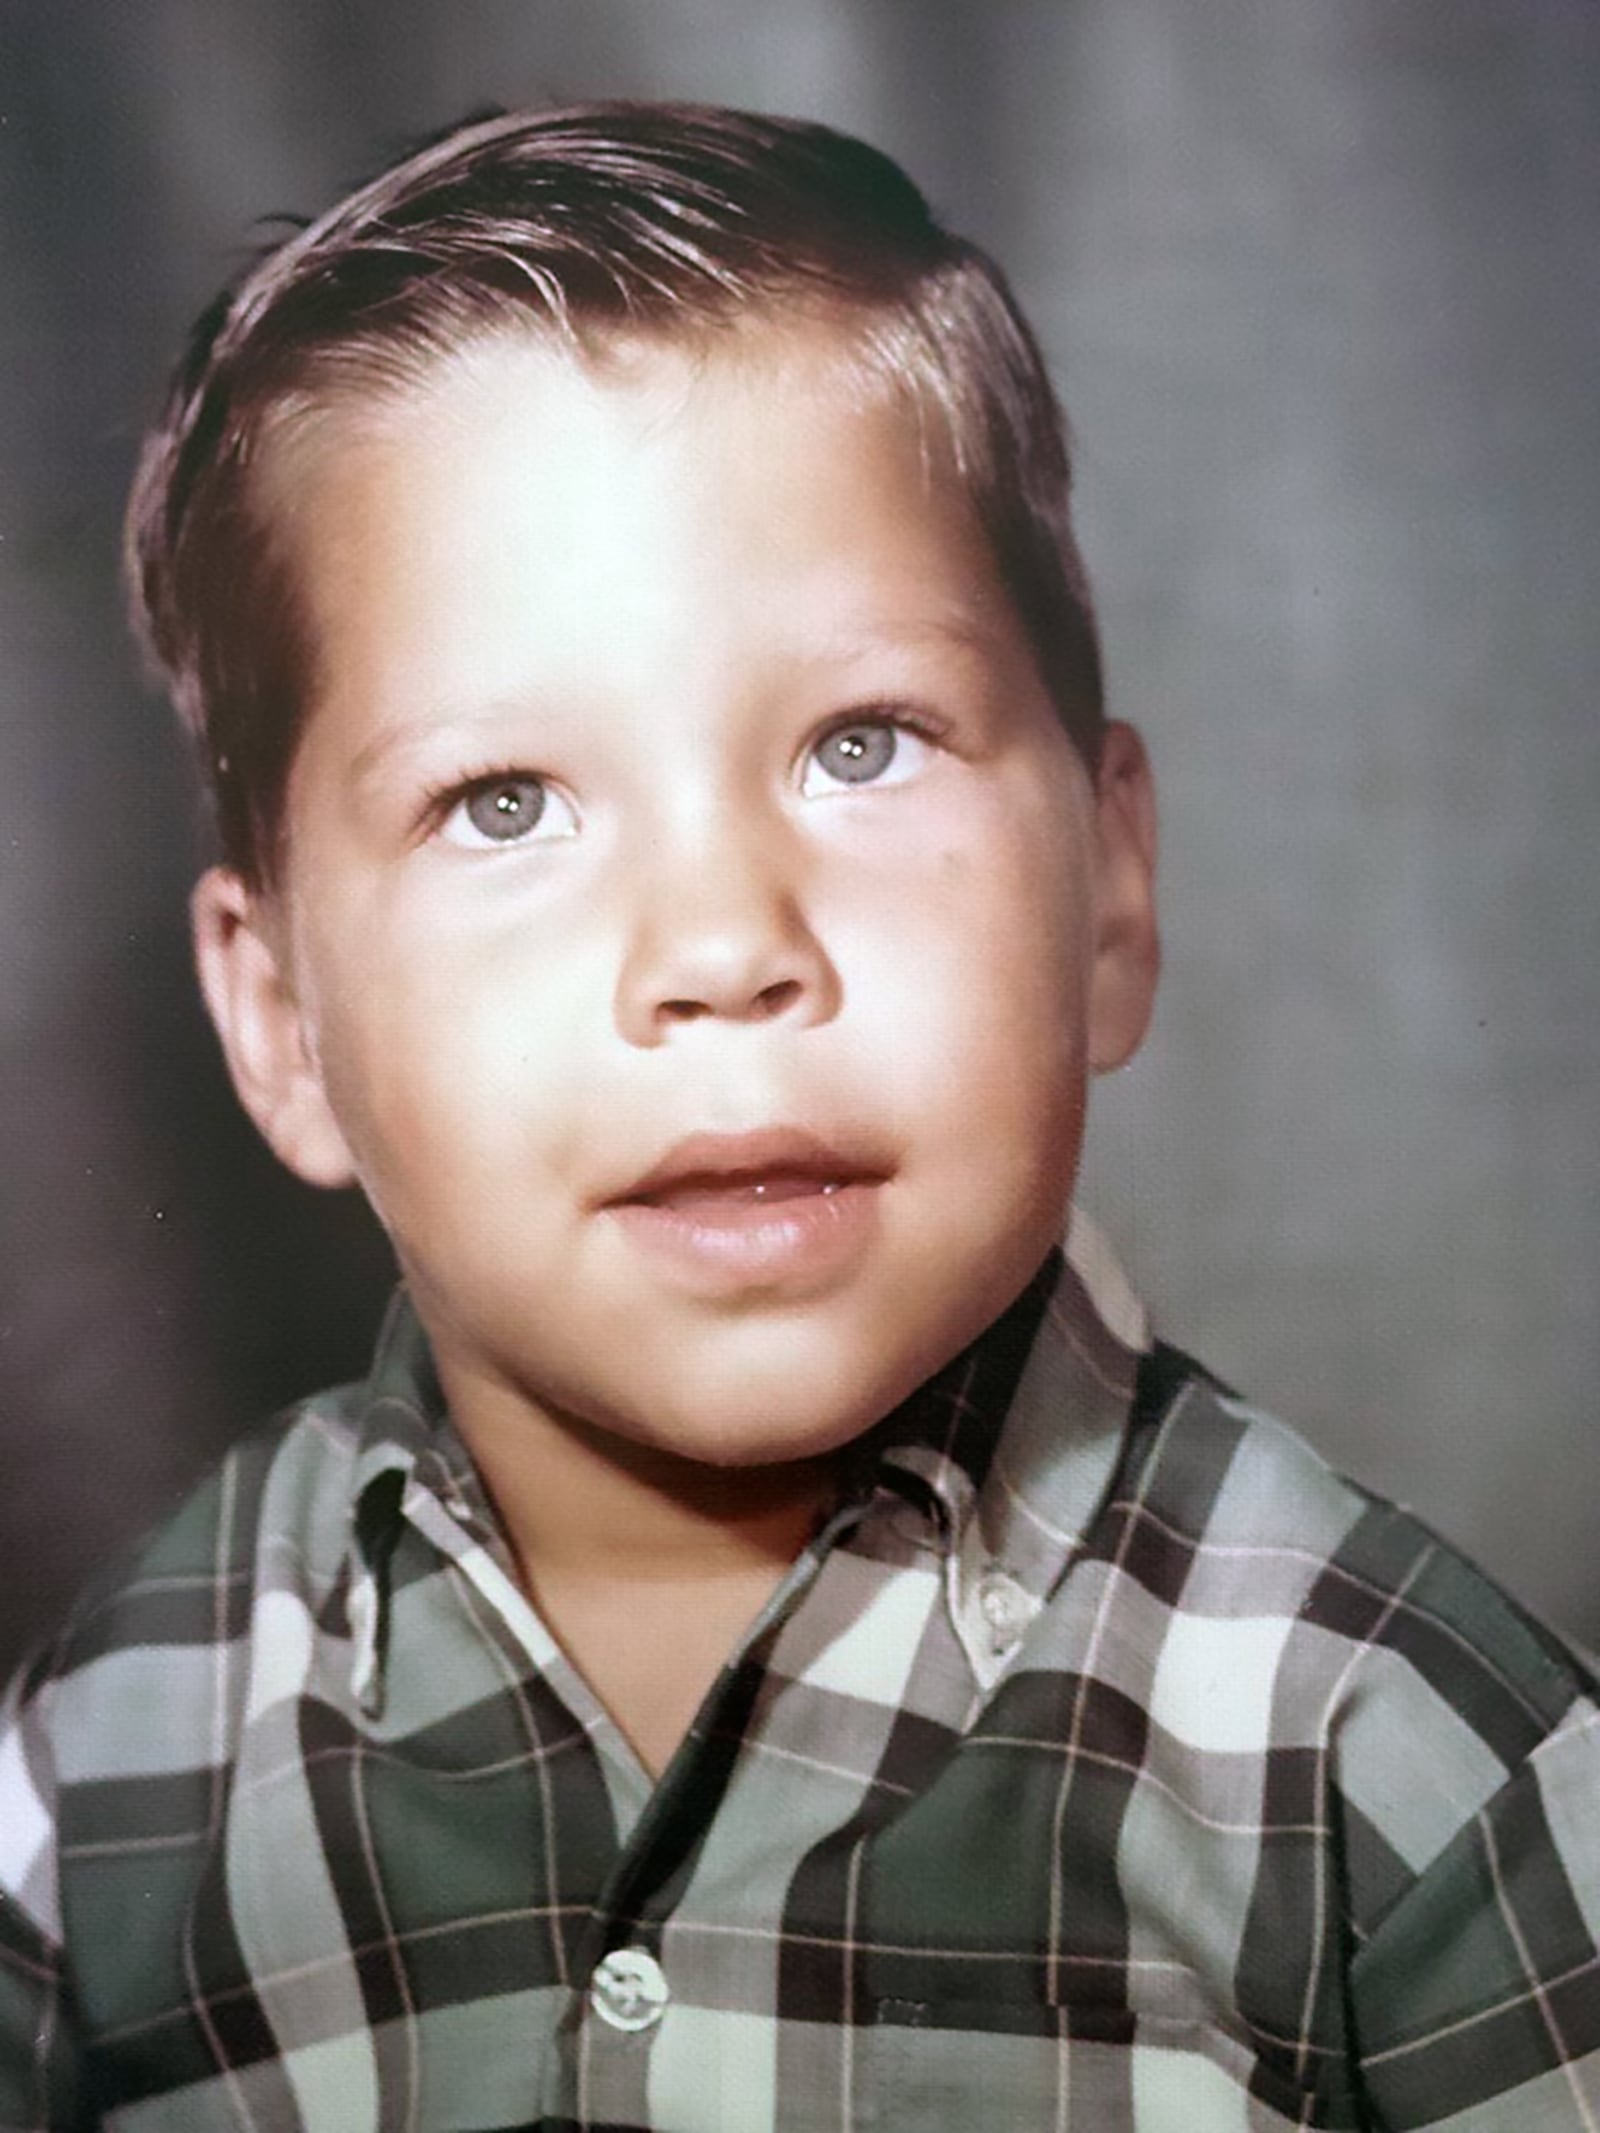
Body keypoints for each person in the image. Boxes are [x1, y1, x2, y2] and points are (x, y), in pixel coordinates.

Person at [0, 101, 1595, 2133]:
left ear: (1108, 891)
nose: (723, 943)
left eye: (860, 743)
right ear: (281, 1018)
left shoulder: (1402, 1758)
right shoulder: (108, 1774)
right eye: (504, 803)